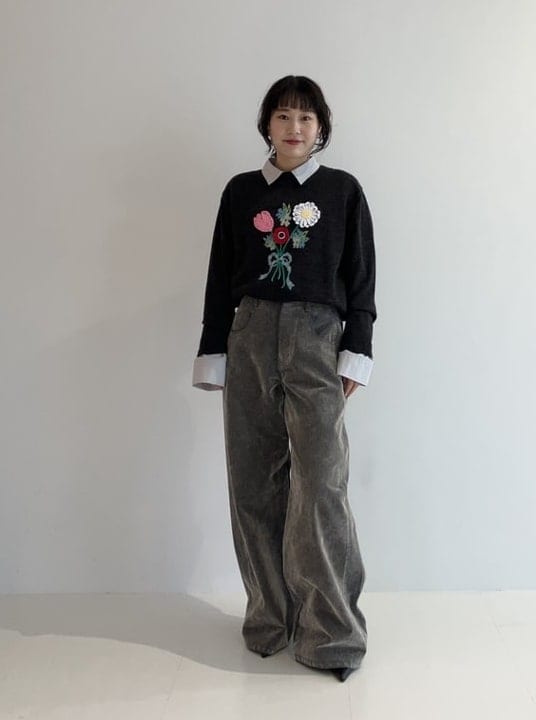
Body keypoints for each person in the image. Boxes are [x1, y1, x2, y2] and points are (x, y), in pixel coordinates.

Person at [192, 75, 376, 682]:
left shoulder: (342, 191)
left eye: (305, 118)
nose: (294, 128)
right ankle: (271, 617)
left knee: (321, 485)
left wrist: (356, 350)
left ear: (320, 127)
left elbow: (361, 277)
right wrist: (213, 350)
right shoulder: (241, 192)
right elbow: (220, 274)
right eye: (283, 116)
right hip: (249, 334)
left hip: (317, 337)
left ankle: (332, 635)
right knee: (253, 482)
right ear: (266, 125)